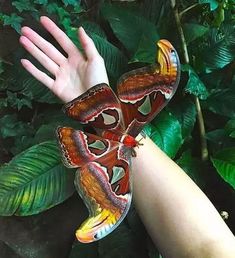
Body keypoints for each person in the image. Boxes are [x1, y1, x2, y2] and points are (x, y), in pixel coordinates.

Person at [19, 16, 235, 257]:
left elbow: (208, 246)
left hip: (111, 132)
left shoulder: (132, 137)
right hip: (111, 129)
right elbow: (208, 246)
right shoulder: (132, 139)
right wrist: (96, 99)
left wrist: (99, 108)